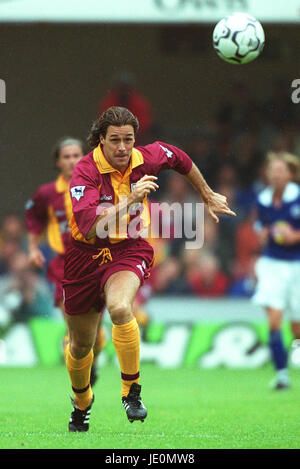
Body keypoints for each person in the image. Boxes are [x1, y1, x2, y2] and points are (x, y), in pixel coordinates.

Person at [62, 106, 236, 432]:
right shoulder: (85, 172)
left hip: (128, 249)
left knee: (119, 306)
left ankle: (131, 391)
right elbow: (87, 226)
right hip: (84, 257)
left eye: (128, 139)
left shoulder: (147, 157)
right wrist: (129, 200)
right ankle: (82, 401)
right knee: (81, 345)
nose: (123, 147)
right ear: (100, 140)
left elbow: (180, 159)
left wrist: (208, 194)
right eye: (114, 140)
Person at [25, 137, 106, 384]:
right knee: (74, 329)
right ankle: (79, 382)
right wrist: (32, 248)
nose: (72, 160)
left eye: (77, 155)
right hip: (64, 267)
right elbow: (34, 217)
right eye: (66, 156)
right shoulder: (47, 194)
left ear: (85, 158)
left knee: (96, 335)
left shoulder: (99, 186)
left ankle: (89, 363)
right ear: (58, 162)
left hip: (96, 263)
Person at [252, 151, 300, 390]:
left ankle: (294, 354)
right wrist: (262, 234)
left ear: (291, 174)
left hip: (297, 265)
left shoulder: (298, 198)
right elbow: (260, 225)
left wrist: (295, 235)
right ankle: (282, 374)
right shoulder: (263, 200)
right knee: (274, 320)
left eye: (281, 170)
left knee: (296, 326)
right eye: (273, 171)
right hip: (272, 264)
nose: (276, 175)